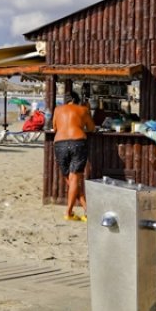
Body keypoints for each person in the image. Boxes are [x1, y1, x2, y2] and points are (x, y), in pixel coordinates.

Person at [51, 85, 97, 222]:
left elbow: (54, 127)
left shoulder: (57, 109)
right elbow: (92, 128)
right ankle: (69, 212)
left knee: (71, 181)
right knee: (75, 180)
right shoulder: (83, 109)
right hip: (78, 142)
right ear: (77, 100)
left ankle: (86, 209)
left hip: (60, 144)